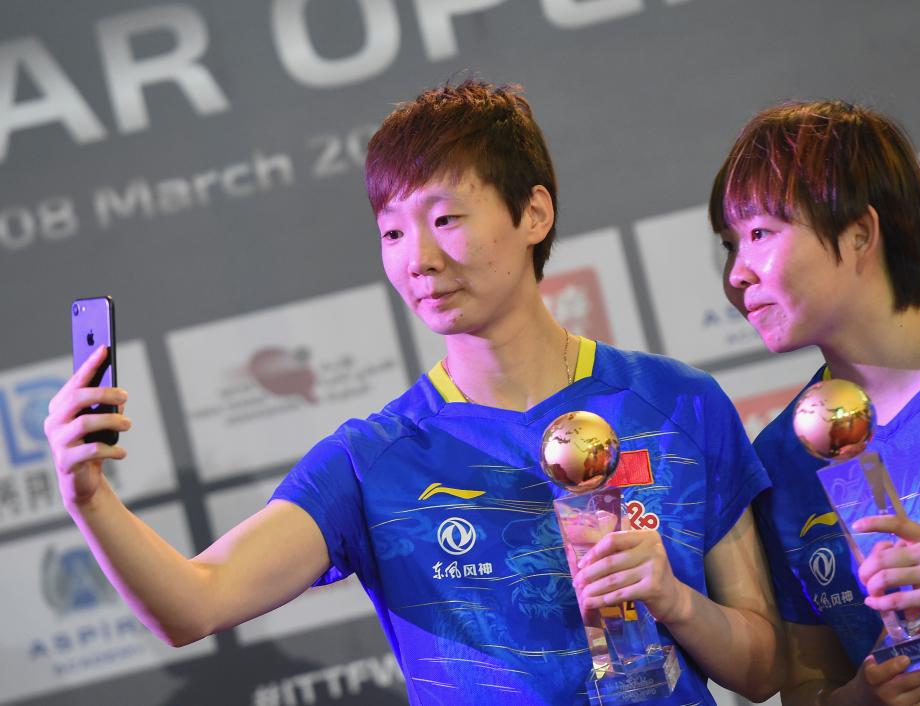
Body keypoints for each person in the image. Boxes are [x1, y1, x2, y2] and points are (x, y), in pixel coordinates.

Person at [45, 80, 783, 705]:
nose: (419, 259)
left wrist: (676, 602)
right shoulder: (375, 461)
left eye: (445, 219)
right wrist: (89, 497)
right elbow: (193, 602)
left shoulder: (678, 403)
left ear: (534, 213)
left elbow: (764, 670)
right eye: (393, 233)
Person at [708, 99, 920, 706]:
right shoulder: (780, 456)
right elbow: (807, 683)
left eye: (760, 234)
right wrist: (862, 696)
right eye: (729, 243)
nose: (737, 274)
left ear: (859, 233)